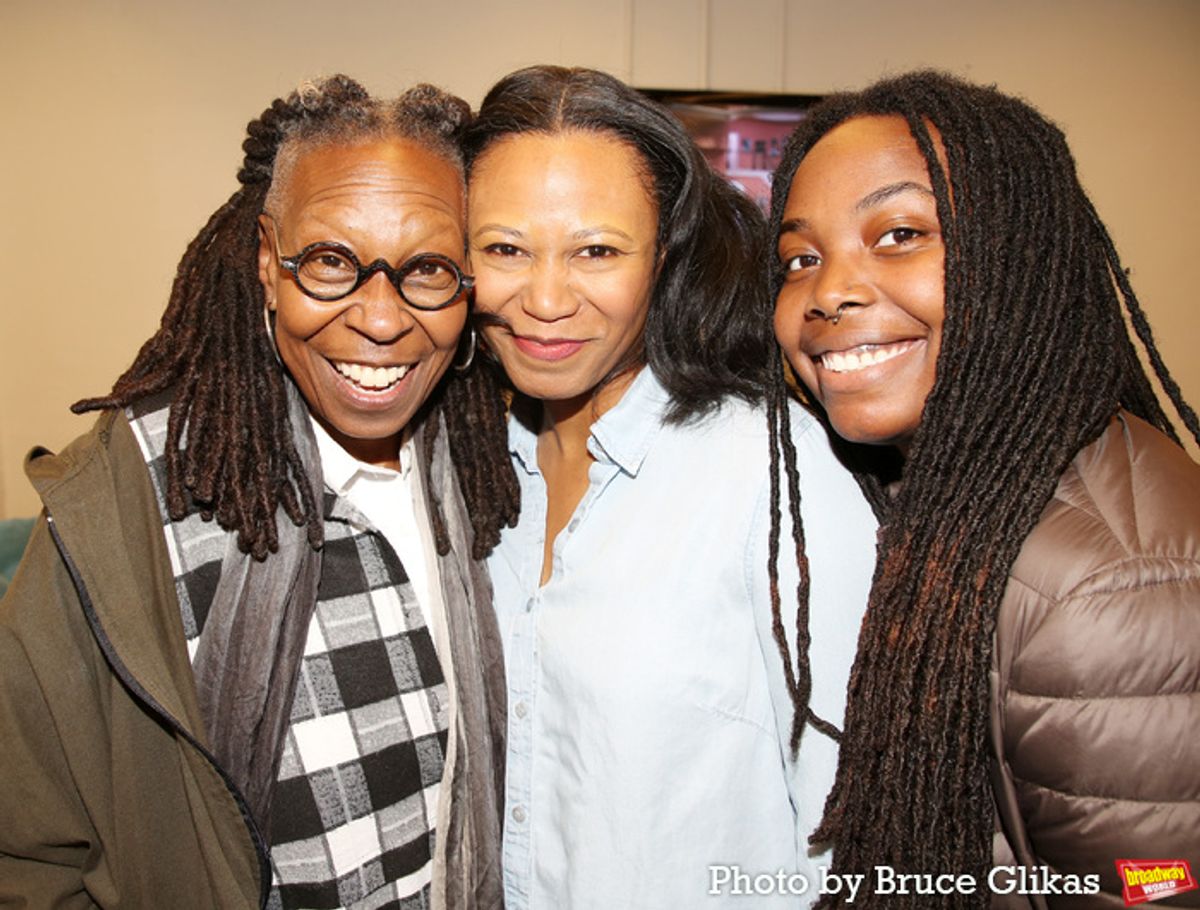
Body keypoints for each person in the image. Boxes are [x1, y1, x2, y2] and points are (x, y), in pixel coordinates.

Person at [0, 75, 518, 909]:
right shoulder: (133, 506)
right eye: (330, 262)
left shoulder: (490, 472)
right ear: (266, 265)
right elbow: (25, 853)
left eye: (427, 268)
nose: (380, 320)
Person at [767, 70, 1200, 907]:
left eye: (898, 233)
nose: (827, 293)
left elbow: (1158, 888)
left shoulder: (1115, 591)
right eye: (800, 258)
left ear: (1021, 255)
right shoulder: (964, 484)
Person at [461, 65, 877, 908]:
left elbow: (859, 826)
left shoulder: (775, 475)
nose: (543, 299)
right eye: (504, 248)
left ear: (665, 257)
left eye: (597, 251)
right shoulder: (466, 469)